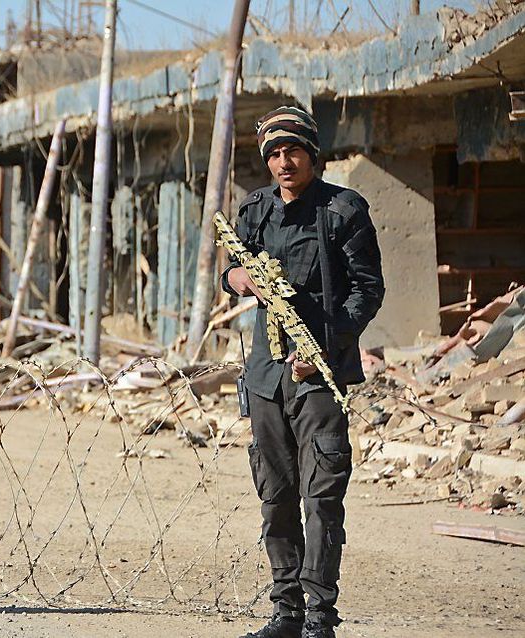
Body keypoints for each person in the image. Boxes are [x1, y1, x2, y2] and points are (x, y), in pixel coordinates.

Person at [222, 106, 385, 638]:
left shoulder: (343, 209)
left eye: (293, 151)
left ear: (312, 155)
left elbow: (368, 289)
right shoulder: (255, 210)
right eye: (273, 154)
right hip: (266, 375)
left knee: (321, 498)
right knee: (276, 496)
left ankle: (320, 616)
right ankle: (286, 612)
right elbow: (230, 267)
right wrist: (238, 278)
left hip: (319, 373)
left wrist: (327, 343)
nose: (283, 162)